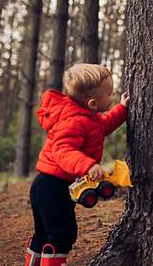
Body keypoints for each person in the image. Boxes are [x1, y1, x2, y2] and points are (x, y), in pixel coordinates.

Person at [24, 63, 129, 266]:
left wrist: (122, 109)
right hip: (52, 186)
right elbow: (63, 151)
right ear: (92, 103)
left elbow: (103, 125)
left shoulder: (88, 118)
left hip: (47, 185)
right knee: (63, 232)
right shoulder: (73, 121)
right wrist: (87, 166)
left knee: (44, 233)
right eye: (110, 94)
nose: (113, 95)